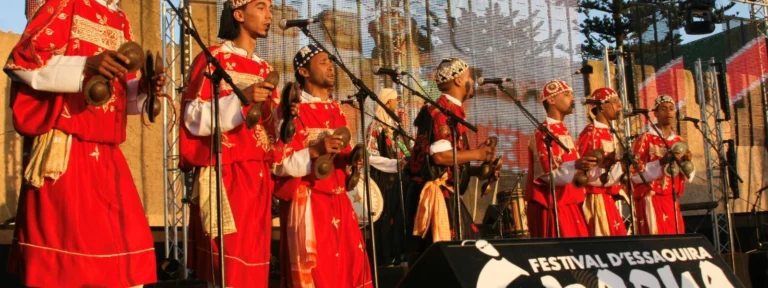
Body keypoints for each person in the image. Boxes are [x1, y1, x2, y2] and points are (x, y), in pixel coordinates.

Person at [4, 0, 161, 286]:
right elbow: (21, 63)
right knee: (69, 265)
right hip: (65, 150)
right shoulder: (64, 5)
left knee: (130, 252)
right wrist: (86, 63)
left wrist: (144, 89)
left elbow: (116, 94)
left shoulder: (121, 20)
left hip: (108, 154)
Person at [179, 0, 278, 286]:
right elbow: (192, 116)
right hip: (226, 171)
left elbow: (270, 130)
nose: (269, 15)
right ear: (238, 14)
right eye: (261, 7)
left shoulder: (265, 68)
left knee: (255, 267)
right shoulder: (213, 57)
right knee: (228, 266)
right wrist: (242, 97)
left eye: (270, 9)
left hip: (257, 176)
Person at [273, 44, 372, 288]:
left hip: (339, 204)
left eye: (331, 61)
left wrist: (351, 160)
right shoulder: (292, 111)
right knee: (321, 276)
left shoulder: (337, 109)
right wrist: (316, 150)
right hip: (309, 203)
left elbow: (342, 160)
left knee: (352, 271)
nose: (331, 66)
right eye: (323, 61)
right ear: (304, 72)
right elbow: (280, 164)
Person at [406, 58, 495, 265]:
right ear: (457, 80)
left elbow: (446, 162)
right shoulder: (441, 110)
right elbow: (440, 156)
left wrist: (479, 169)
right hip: (437, 197)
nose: (472, 81)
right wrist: (478, 154)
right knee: (457, 258)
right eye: (469, 77)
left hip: (445, 193)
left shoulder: (450, 109)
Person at [525, 80, 596, 238]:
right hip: (553, 206)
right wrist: (576, 164)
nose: (573, 99)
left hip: (570, 203)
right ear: (551, 100)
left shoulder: (562, 130)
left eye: (571, 94)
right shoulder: (542, 133)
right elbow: (546, 174)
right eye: (566, 94)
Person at [631, 95, 694, 235]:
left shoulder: (679, 140)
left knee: (676, 240)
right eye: (663, 109)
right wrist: (660, 162)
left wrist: (687, 162)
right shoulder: (645, 138)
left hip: (671, 199)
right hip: (652, 197)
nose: (668, 112)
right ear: (655, 114)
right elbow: (634, 172)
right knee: (657, 238)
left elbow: (688, 175)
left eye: (671, 109)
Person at [365, 88, 410, 266]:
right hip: (385, 182)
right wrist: (394, 165)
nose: (397, 103)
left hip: (402, 181)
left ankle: (401, 255)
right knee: (386, 221)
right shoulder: (375, 126)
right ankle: (385, 260)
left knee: (401, 219)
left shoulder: (396, 127)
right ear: (387, 102)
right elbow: (370, 156)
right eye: (395, 100)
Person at [577, 87, 627, 236]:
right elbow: (586, 173)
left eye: (619, 101)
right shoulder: (590, 132)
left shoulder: (611, 133)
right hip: (595, 199)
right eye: (614, 101)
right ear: (601, 106)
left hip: (607, 197)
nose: (619, 105)